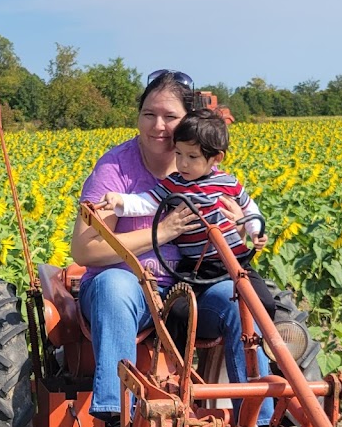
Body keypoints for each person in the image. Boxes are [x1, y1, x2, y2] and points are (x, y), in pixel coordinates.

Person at [71, 70, 274, 427]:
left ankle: (257, 426)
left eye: (170, 117)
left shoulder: (207, 172)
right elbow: (84, 252)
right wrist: (161, 233)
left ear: (191, 123)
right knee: (115, 286)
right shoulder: (116, 168)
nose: (158, 126)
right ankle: (115, 421)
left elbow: (248, 221)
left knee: (241, 296)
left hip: (191, 288)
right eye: (149, 114)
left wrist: (245, 227)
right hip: (128, 289)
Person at [97, 106, 277, 324]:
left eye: (192, 156)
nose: (182, 163)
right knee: (178, 312)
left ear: (216, 158)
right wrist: (120, 201)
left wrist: (256, 232)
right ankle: (179, 356)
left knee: (264, 304)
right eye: (179, 154)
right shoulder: (174, 184)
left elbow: (250, 208)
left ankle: (264, 350)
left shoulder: (228, 183)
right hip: (195, 268)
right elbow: (147, 202)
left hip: (235, 262)